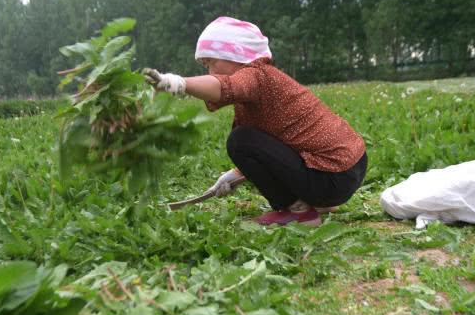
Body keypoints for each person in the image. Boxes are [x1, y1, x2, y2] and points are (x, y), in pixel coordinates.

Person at [143, 16, 367, 226]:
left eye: (211, 62)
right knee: (247, 137)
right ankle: (320, 202)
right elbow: (274, 148)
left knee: (240, 140)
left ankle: (298, 211)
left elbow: (223, 88)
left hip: (331, 177)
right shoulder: (264, 83)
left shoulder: (255, 75)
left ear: (236, 55)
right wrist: (236, 175)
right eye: (205, 66)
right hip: (349, 167)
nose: (210, 71)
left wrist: (179, 83)